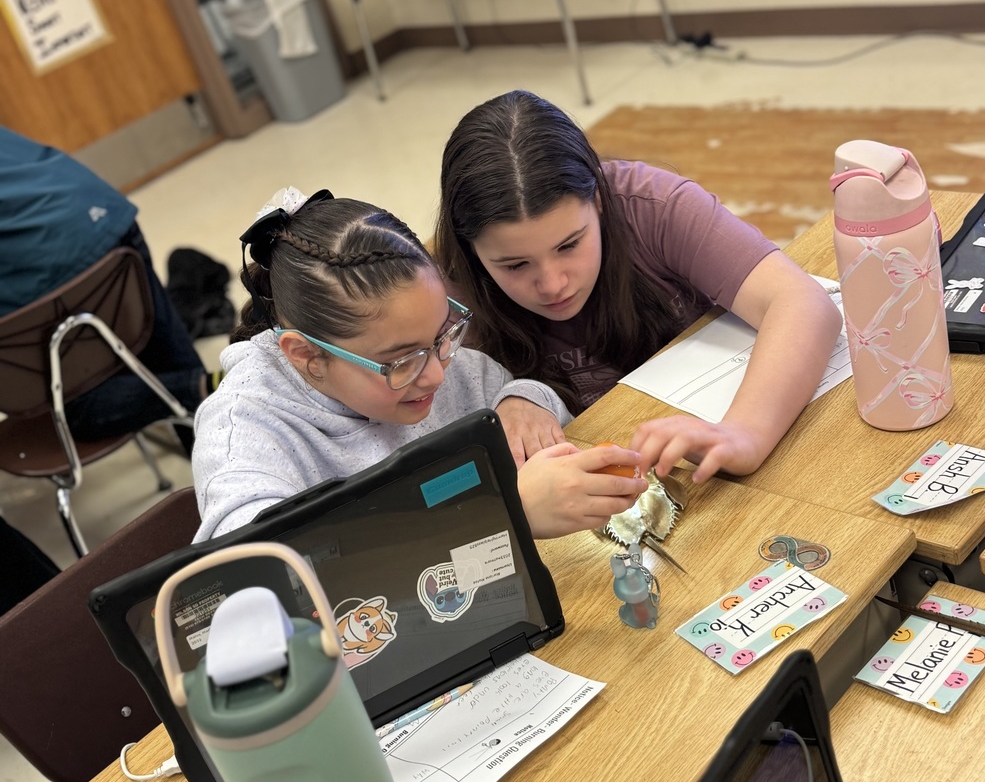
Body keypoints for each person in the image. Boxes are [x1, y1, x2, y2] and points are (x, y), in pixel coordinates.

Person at [190, 188, 647, 542]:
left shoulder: (429, 359)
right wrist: (507, 511)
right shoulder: (245, 437)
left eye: (443, 334)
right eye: (401, 361)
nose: (436, 374)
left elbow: (496, 387)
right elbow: (262, 582)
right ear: (308, 356)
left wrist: (525, 400)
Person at [434, 90, 843, 485]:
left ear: (598, 199)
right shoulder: (443, 291)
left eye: (570, 245)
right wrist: (515, 396)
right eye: (514, 265)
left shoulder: (653, 204)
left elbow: (802, 302)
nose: (553, 284)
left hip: (715, 455)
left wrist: (743, 434)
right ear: (470, 250)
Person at [0, 127, 215, 443]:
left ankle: (193, 388)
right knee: (165, 349)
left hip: (51, 264)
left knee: (72, 412)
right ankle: (217, 399)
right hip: (99, 211)